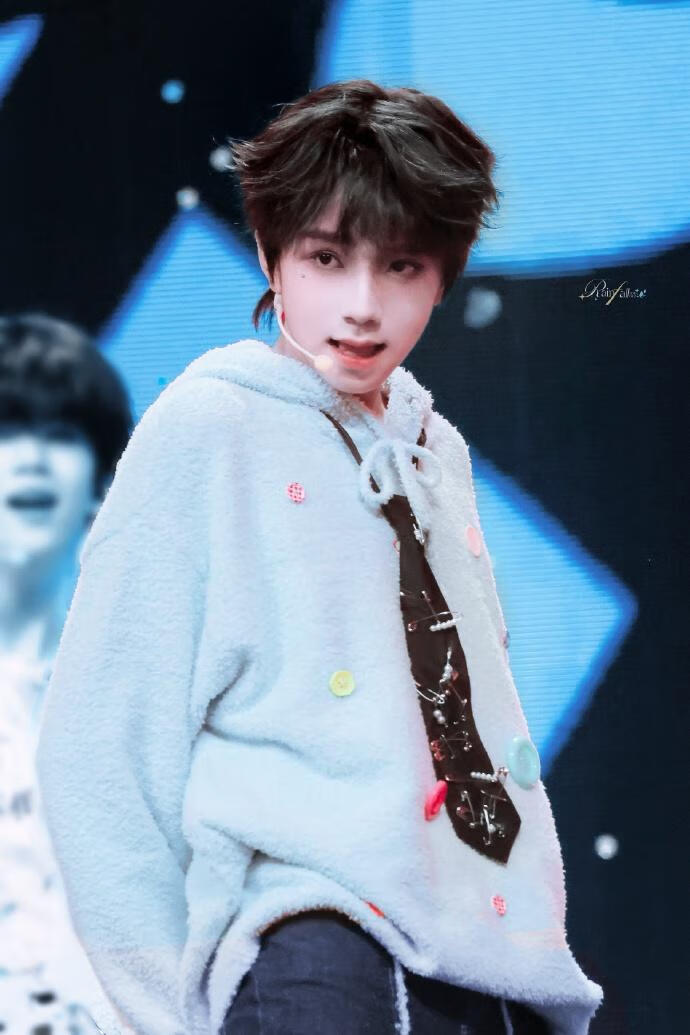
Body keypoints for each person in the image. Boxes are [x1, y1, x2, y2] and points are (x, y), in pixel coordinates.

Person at [36, 80, 604, 1034]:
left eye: (403, 265)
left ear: (444, 274)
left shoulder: (437, 451)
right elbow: (100, 749)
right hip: (311, 948)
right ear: (271, 253)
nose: (362, 306)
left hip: (479, 954)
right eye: (327, 258)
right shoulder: (210, 426)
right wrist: (168, 1008)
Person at [0, 312, 133, 1033]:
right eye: (8, 432)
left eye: (59, 436)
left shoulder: (147, 684)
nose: (31, 460)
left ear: (98, 483)